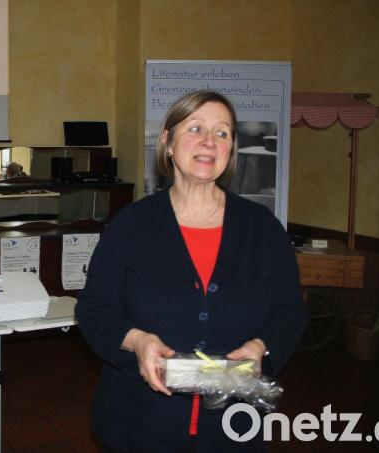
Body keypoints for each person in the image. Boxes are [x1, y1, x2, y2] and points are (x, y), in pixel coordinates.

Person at [74, 90, 307, 452]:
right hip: (142, 419)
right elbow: (93, 308)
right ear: (167, 141)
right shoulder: (131, 225)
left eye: (222, 132)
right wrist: (137, 341)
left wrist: (262, 346)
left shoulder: (262, 228)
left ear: (231, 149)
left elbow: (289, 311)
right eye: (195, 128)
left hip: (232, 423)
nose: (209, 142)